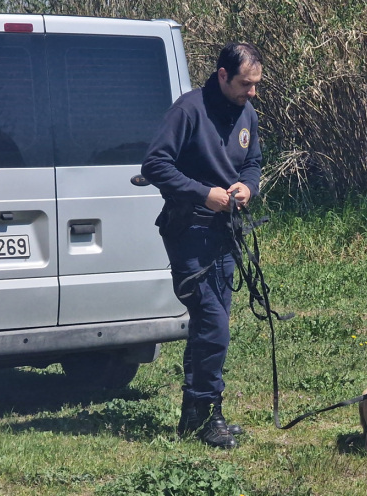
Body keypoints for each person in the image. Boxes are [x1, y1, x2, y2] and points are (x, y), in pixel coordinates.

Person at [141, 42, 263, 449]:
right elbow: (155, 165)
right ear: (223, 75)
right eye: (246, 83)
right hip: (189, 230)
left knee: (211, 328)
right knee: (214, 324)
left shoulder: (248, 111)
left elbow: (253, 162)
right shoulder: (188, 109)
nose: (252, 92)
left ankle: (201, 415)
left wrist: (248, 186)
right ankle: (203, 415)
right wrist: (203, 193)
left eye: (256, 84)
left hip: (226, 232)